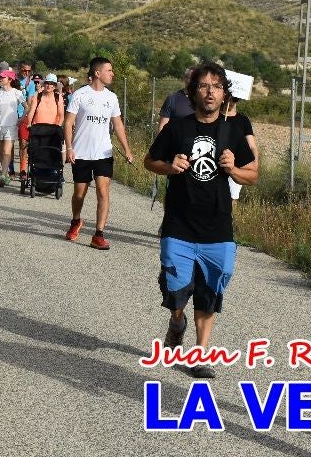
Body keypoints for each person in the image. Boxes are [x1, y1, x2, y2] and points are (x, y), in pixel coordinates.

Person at [144, 61, 258, 379]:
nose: (210, 92)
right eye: (203, 86)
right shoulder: (177, 128)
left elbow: (253, 175)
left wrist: (234, 169)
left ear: (225, 94)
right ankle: (177, 321)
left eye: (216, 86)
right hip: (179, 224)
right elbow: (149, 161)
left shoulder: (233, 130)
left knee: (210, 293)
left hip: (218, 228)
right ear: (192, 92)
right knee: (176, 291)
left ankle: (199, 354)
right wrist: (170, 166)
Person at [64, 57, 134, 249]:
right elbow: (68, 122)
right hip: (81, 153)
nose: (112, 74)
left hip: (103, 153)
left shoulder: (111, 97)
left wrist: (127, 149)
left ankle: (98, 234)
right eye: (109, 70)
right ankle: (76, 220)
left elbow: (117, 124)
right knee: (80, 194)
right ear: (97, 73)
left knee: (103, 192)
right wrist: (69, 147)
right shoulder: (80, 94)